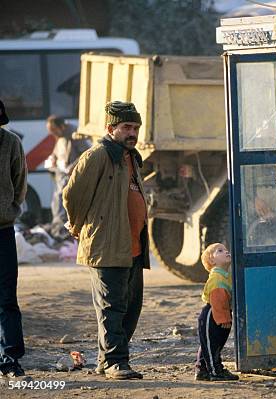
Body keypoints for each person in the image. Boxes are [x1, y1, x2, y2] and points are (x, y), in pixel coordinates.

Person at [63, 101, 149, 380]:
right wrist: (78, 227)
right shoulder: (98, 155)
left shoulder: (132, 157)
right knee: (111, 309)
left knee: (130, 309)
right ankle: (115, 362)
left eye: (135, 127)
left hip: (133, 247)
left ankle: (106, 360)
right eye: (126, 127)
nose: (132, 132)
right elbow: (72, 195)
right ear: (111, 128)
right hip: (106, 246)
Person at [0, 99, 28, 378]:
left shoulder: (10, 143)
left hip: (2, 229)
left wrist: (9, 210)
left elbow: (20, 183)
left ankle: (10, 358)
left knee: (7, 298)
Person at [194, 243, 239, 382]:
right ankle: (215, 371)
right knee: (212, 344)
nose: (226, 252)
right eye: (220, 251)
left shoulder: (225, 275)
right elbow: (218, 300)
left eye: (226, 250)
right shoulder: (217, 278)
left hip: (219, 313)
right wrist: (224, 318)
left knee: (210, 343)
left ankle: (202, 369)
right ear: (212, 261)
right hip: (212, 314)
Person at [44, 115, 90, 236]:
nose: (52, 134)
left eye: (54, 130)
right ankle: (58, 230)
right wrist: (52, 159)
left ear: (62, 126)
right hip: (61, 174)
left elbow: (86, 154)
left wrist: (73, 167)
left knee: (64, 203)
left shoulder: (74, 135)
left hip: (72, 177)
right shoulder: (60, 136)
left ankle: (63, 232)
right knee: (57, 203)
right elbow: (56, 151)